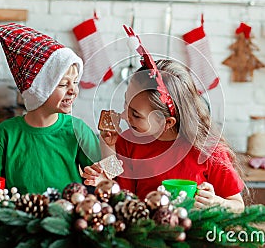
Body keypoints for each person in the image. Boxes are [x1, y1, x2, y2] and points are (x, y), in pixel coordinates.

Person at [83, 27, 245, 212]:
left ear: (167, 123)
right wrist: (108, 147)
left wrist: (217, 203)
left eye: (136, 114)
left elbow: (238, 206)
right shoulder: (128, 141)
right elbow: (119, 196)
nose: (124, 115)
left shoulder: (208, 149)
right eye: (126, 103)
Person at [0, 23, 100, 206]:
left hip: (67, 226)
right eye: (63, 84)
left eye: (76, 82)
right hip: (16, 225)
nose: (73, 90)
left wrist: (101, 173)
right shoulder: (5, 133)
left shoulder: (78, 129)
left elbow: (105, 178)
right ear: (39, 90)